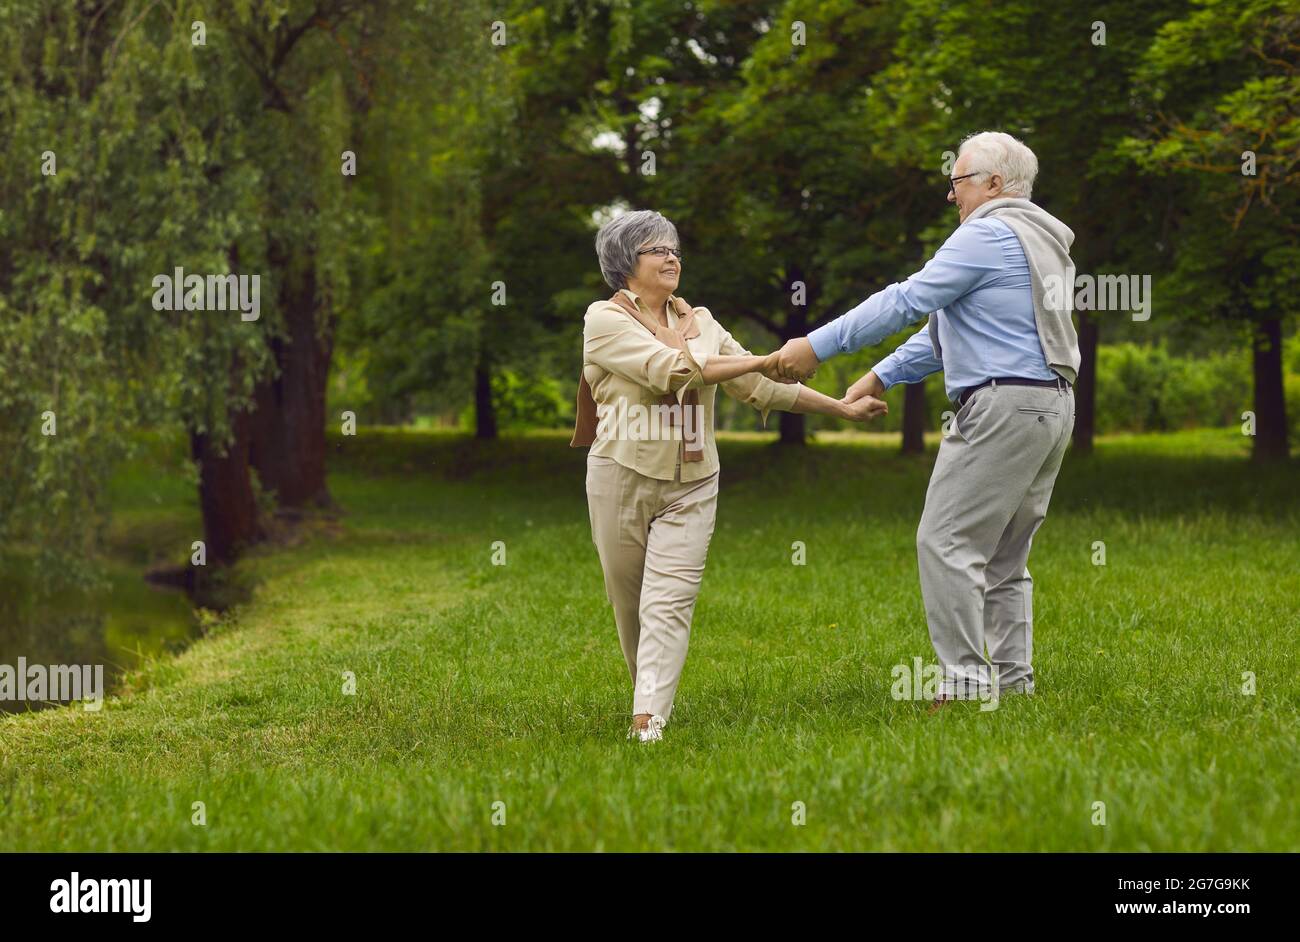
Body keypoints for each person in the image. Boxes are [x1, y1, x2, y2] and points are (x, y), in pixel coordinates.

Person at [773, 131, 1079, 708]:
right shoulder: (1041, 242)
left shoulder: (987, 234)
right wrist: (883, 374)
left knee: (946, 542)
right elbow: (948, 328)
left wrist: (814, 346)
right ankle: (1013, 683)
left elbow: (906, 299)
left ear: (993, 184)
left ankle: (964, 685)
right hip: (1050, 407)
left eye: (958, 182)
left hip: (1000, 406)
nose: (951, 196)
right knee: (1006, 557)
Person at [573, 209, 887, 741]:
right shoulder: (604, 321)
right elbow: (668, 372)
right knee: (630, 606)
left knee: (668, 600)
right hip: (620, 476)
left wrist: (841, 409)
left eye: (675, 248)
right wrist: (761, 360)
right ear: (627, 264)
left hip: (694, 482)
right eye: (658, 249)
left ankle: (647, 719)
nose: (672, 257)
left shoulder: (702, 322)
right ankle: (647, 693)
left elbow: (762, 390)